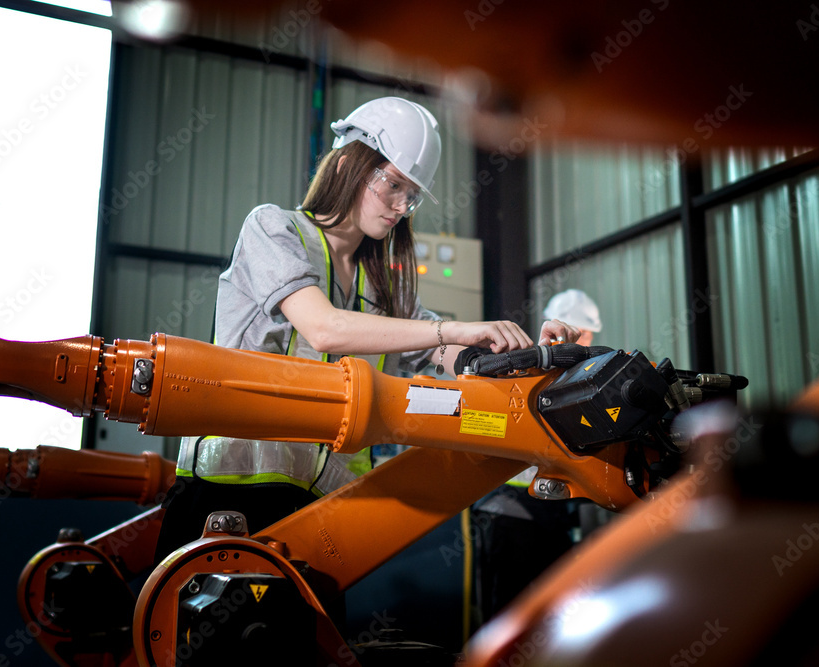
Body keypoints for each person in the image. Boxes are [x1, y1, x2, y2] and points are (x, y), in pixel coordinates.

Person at [154, 97, 580, 561]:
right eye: (393, 184)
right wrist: (453, 328)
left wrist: (520, 359)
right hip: (228, 495)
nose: (401, 206)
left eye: (412, 194)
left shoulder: (386, 281)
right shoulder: (274, 230)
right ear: (344, 165)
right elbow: (324, 329)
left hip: (325, 510)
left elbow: (447, 355)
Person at [470, 288, 605, 626]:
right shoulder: (532, 367)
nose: (586, 339)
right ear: (568, 329)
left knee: (551, 611)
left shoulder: (575, 372)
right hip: (512, 506)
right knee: (510, 613)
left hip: (549, 507)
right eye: (584, 332)